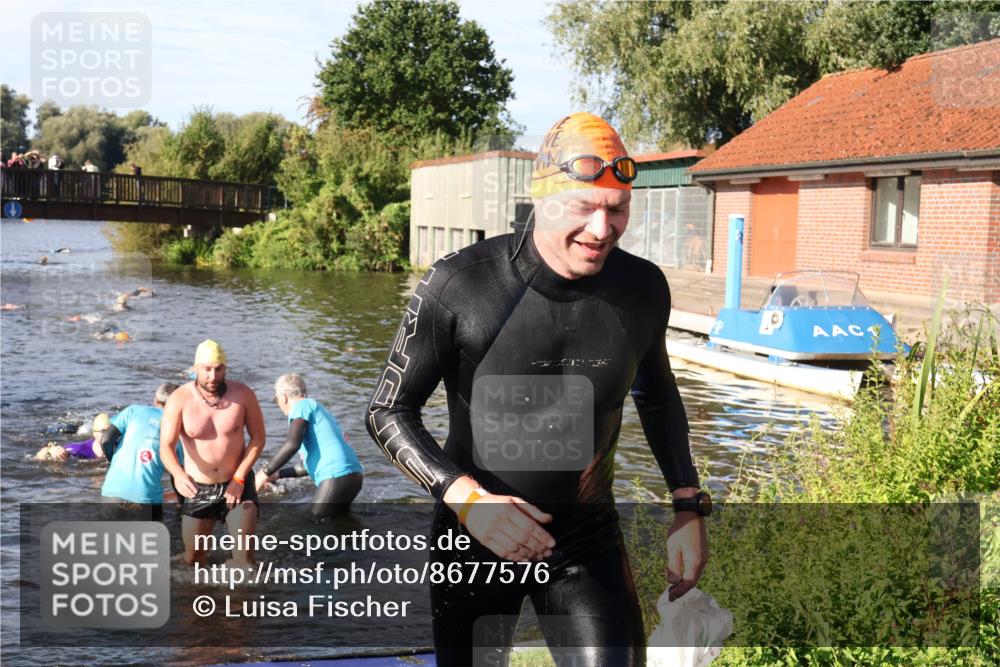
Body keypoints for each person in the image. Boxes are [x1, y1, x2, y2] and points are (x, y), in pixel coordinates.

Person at [366, 112, 710, 666]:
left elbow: (658, 394)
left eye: (618, 208)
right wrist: (468, 501)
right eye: (584, 207)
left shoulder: (643, 288)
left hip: (585, 536)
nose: (603, 229)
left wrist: (687, 505)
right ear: (543, 199)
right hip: (473, 535)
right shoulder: (459, 283)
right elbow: (388, 412)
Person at [160, 340, 266, 566]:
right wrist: (178, 475)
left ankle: (240, 600)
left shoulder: (244, 394)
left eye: (219, 369)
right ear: (195, 368)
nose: (213, 376)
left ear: (225, 369)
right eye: (207, 369)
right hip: (199, 487)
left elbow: (258, 438)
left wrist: (239, 478)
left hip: (237, 484)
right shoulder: (179, 398)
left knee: (245, 562)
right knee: (194, 559)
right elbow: (166, 447)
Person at [255, 373, 363, 521]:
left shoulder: (301, 406)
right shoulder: (317, 410)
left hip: (335, 477)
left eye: (276, 400)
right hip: (353, 476)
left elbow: (292, 444)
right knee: (340, 526)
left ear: (283, 397)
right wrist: (278, 475)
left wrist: (264, 473)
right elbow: (309, 465)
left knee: (313, 526)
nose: (278, 404)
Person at [99, 385, 180, 520]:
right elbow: (177, 474)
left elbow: (106, 440)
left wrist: (111, 460)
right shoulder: (177, 428)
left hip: (111, 493)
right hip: (146, 499)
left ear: (155, 400)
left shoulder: (133, 411)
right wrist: (182, 506)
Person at [34, 413, 110, 461]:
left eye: (111, 432)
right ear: (94, 433)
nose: (108, 435)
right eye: (103, 432)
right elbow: (37, 457)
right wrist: (51, 450)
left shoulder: (119, 448)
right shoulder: (79, 449)